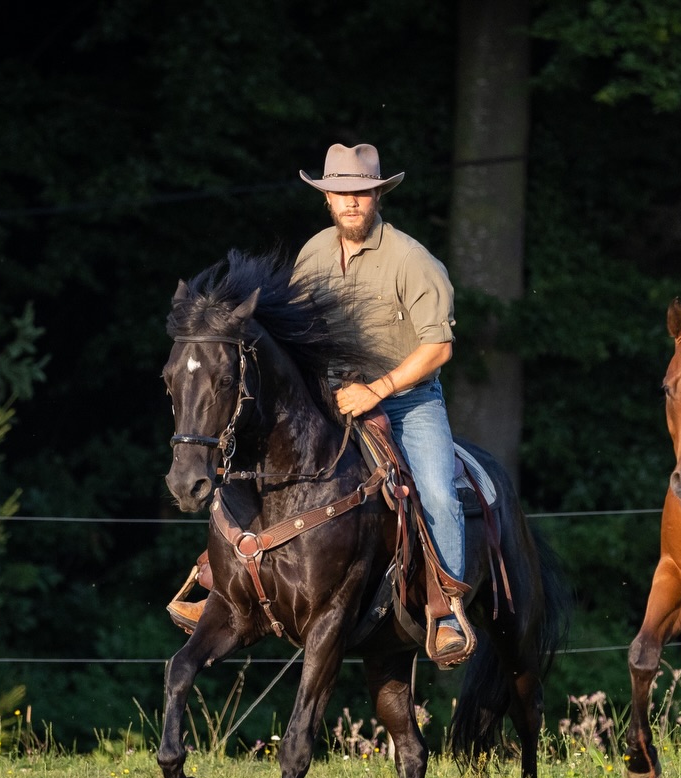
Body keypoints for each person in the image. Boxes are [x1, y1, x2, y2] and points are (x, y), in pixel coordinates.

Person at [169, 143, 472, 666]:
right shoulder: (312, 254)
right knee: (247, 462)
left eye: (360, 192)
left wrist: (377, 391)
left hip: (405, 400)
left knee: (439, 494)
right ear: (327, 198)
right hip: (328, 397)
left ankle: (445, 608)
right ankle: (219, 582)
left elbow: (438, 348)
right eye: (340, 192)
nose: (350, 202)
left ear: (378, 194)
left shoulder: (413, 261)